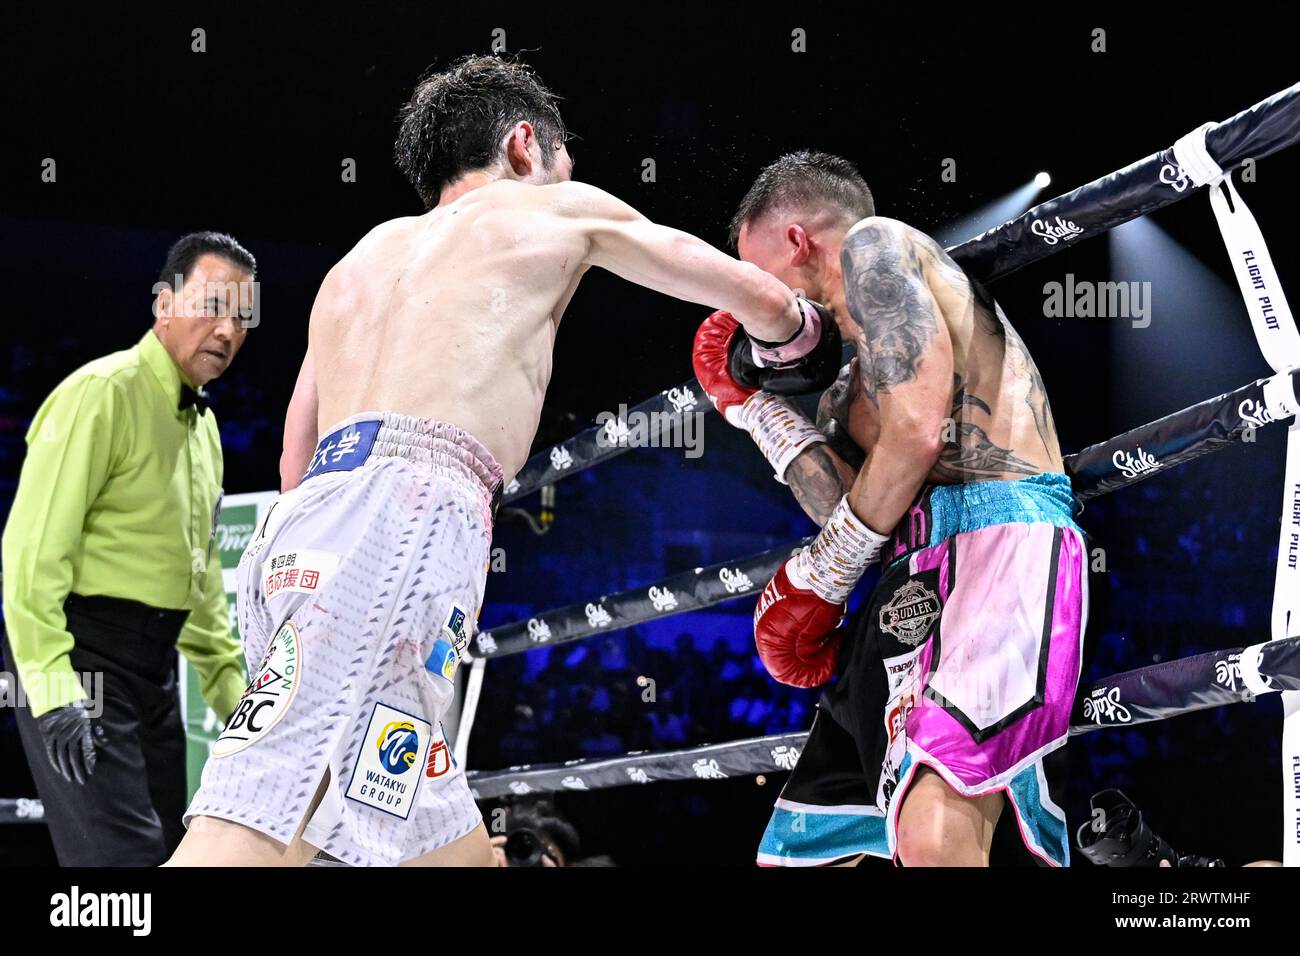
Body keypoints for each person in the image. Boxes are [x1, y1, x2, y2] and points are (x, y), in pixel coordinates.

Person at [170, 55, 838, 867]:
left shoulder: (359, 261)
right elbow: (740, 291)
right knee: (249, 828)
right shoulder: (548, 211)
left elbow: (293, 457)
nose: (569, 179)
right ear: (526, 145)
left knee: (355, 817)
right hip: (402, 523)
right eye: (563, 163)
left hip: (308, 531)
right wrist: (803, 333)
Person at [694, 151, 1086, 866]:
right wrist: (755, 410)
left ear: (797, 241)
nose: (756, 308)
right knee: (809, 848)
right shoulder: (846, 387)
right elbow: (857, 507)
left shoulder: (878, 243)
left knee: (935, 832)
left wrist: (823, 571)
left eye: (755, 279)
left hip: (997, 538)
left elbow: (916, 433)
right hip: (907, 574)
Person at [1, 231, 255, 865]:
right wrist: (54, 691)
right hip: (78, 655)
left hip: (152, 667)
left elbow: (199, 588)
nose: (227, 330)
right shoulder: (101, 393)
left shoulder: (206, 430)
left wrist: (243, 710)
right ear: (163, 303)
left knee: (175, 848)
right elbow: (32, 556)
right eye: (214, 305)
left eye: (243, 317)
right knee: (122, 866)